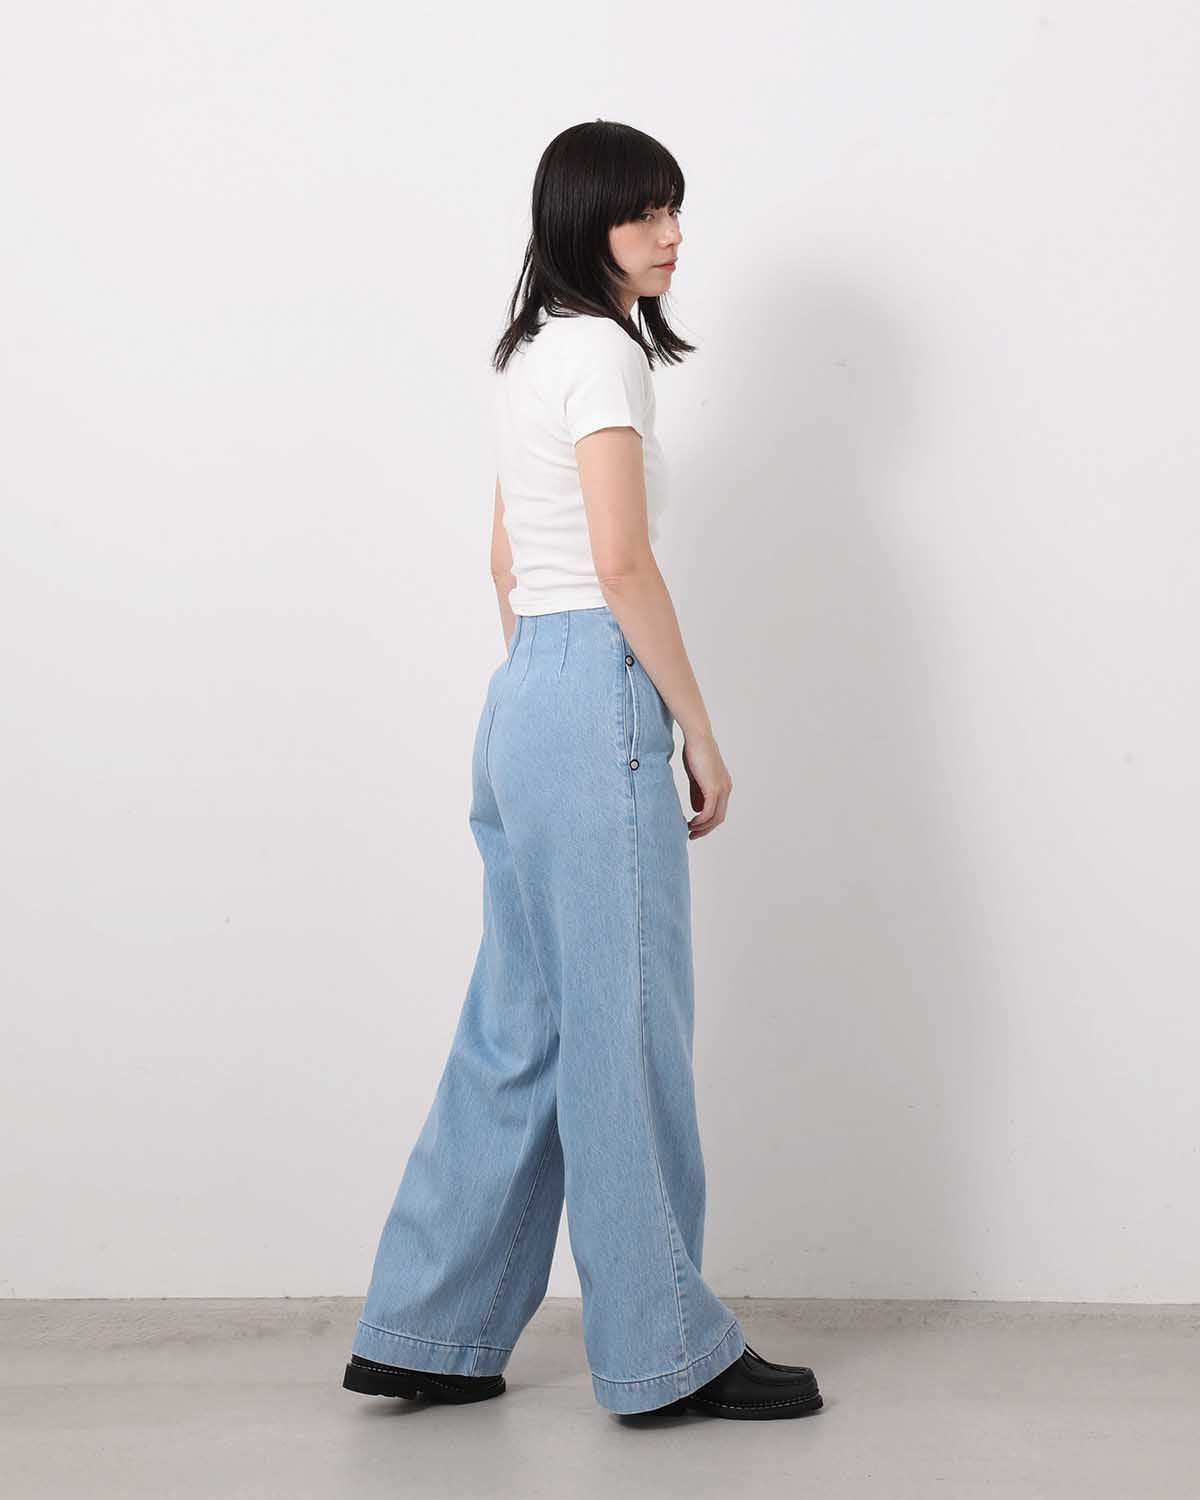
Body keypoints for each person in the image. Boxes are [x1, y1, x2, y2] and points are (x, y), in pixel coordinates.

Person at [342, 119, 823, 1421]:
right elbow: (620, 561)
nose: (671, 235)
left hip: (522, 700)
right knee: (627, 1031)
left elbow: (508, 562)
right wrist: (693, 729)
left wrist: (541, 685)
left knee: (520, 1025)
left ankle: (427, 1330)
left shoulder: (529, 355)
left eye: (675, 209)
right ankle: (667, 1352)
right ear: (583, 224)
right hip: (592, 687)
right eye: (643, 213)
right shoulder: (605, 355)